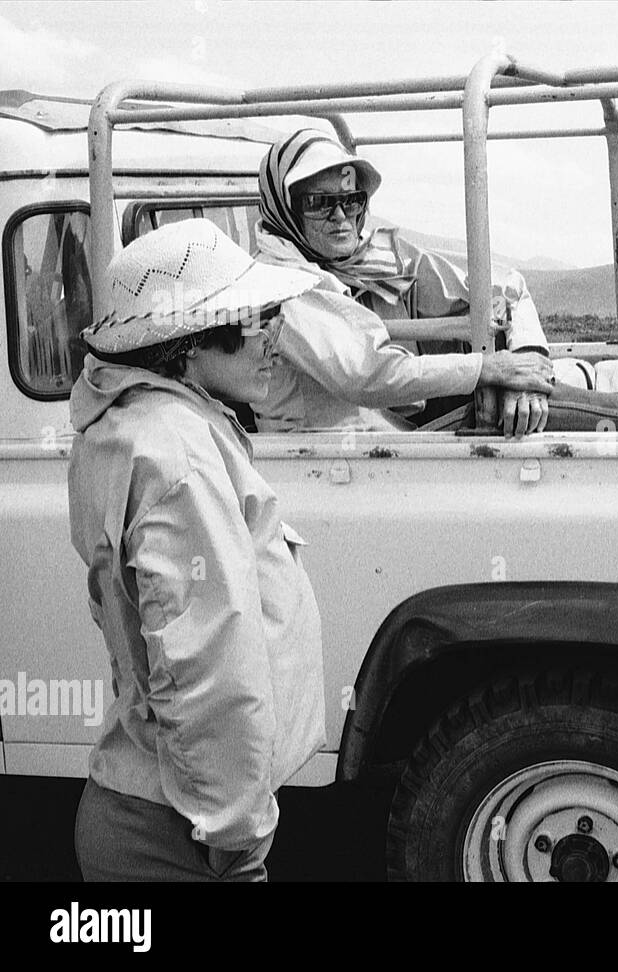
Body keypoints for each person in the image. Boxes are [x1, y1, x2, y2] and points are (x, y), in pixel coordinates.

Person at [68, 218, 327, 881]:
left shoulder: (142, 424)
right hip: (177, 832)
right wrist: (235, 830)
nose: (273, 339)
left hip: (154, 806)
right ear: (186, 343)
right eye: (253, 320)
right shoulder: (177, 453)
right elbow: (208, 660)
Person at [251, 129, 618, 436]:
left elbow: (505, 286)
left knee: (515, 396)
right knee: (491, 406)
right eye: (319, 202)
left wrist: (525, 364)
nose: (343, 215)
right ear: (283, 206)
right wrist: (491, 368)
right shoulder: (282, 289)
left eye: (352, 199)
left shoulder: (374, 261)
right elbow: (367, 375)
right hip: (355, 451)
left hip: (392, 435)